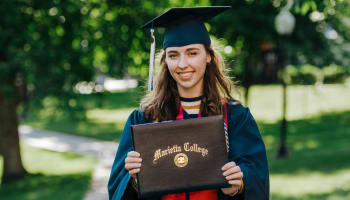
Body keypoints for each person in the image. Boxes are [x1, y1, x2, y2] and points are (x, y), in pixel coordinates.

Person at [108, 6, 269, 200]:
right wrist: (133, 179)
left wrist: (238, 185)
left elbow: (257, 177)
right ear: (165, 61)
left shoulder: (235, 117)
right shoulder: (144, 119)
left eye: (192, 53)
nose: (182, 64)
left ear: (208, 56)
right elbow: (117, 189)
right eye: (173, 55)